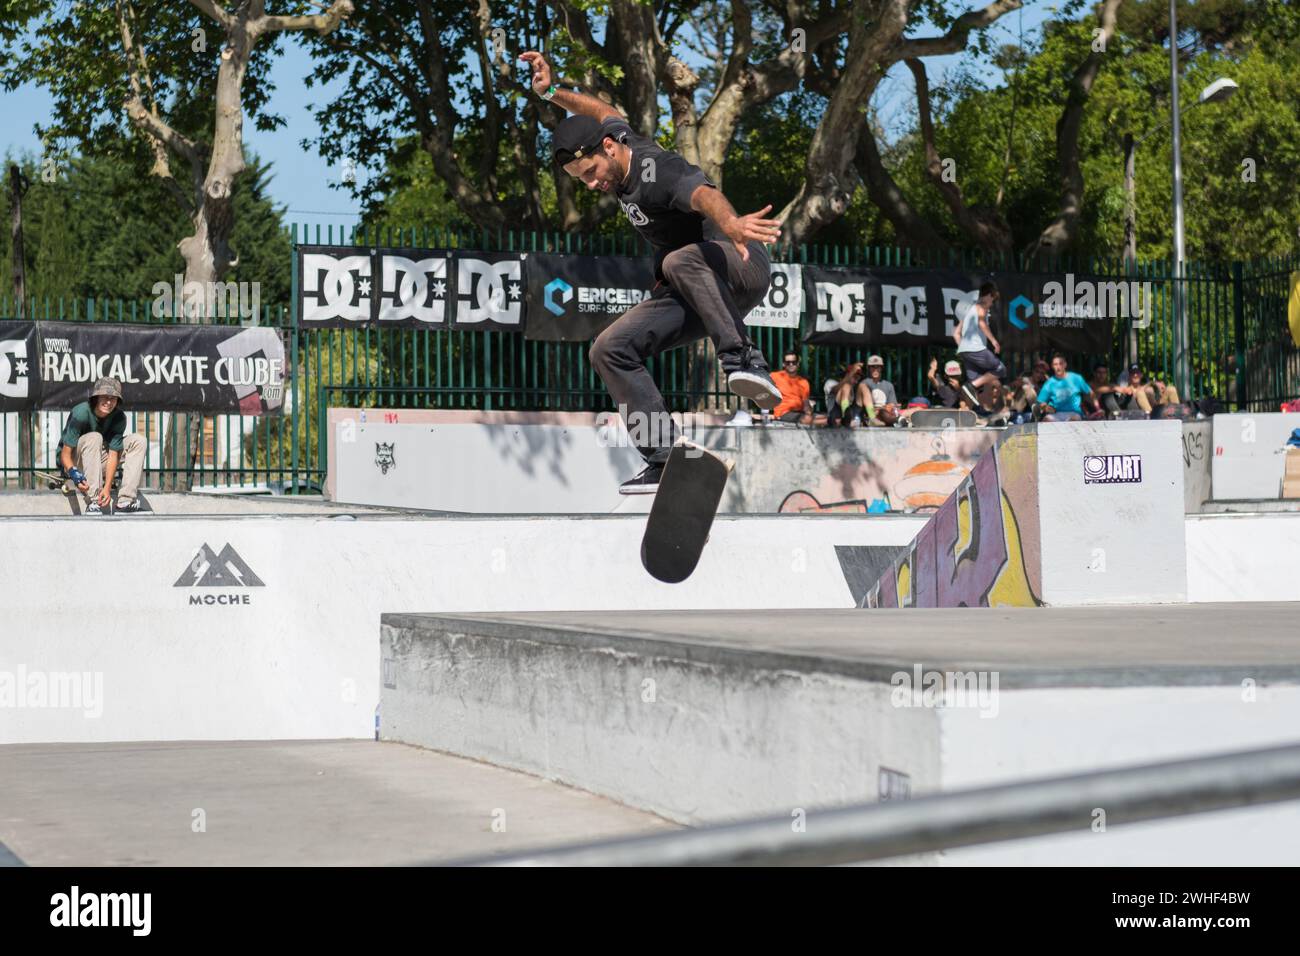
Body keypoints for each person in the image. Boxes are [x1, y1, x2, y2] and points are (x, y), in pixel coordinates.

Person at [521, 50, 781, 494]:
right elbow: (602, 110)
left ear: (608, 149)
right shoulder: (616, 134)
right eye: (581, 180)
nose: (592, 184)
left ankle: (746, 362)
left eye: (592, 173)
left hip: (738, 264)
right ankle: (664, 458)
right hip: (694, 291)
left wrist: (732, 223)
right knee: (608, 349)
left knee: (680, 258)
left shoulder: (654, 169)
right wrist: (551, 92)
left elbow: (700, 194)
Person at [58, 376, 147, 514]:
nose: (109, 402)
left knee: (138, 440)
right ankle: (93, 502)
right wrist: (73, 473)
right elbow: (65, 454)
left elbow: (113, 455)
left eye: (113, 398)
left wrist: (106, 487)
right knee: (95, 437)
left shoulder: (119, 418)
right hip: (75, 463)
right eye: (104, 397)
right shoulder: (81, 412)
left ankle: (125, 501)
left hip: (99, 461)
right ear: (96, 397)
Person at [953, 282, 1006, 409]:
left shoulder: (969, 311)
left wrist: (964, 348)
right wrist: (994, 341)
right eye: (993, 300)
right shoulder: (981, 306)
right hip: (975, 348)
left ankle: (978, 412)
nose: (992, 304)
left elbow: (956, 333)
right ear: (988, 295)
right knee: (1000, 369)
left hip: (965, 351)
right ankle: (971, 388)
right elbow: (982, 324)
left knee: (979, 385)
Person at [1035, 354, 1096, 422]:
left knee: (1074, 420)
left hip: (1074, 413)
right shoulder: (1049, 383)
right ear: (1052, 366)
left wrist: (1098, 409)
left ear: (1065, 365)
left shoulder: (1076, 378)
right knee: (1046, 420)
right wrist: (1045, 407)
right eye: (1055, 364)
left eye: (1060, 364)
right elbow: (1040, 402)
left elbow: (1091, 393)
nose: (1058, 367)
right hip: (1055, 414)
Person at [771, 352, 814, 424]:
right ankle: (829, 421)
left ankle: (830, 420)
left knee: (825, 417)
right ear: (783, 364)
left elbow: (805, 403)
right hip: (783, 413)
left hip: (800, 413)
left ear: (798, 364)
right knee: (808, 419)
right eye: (788, 362)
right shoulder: (775, 376)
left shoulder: (803, 382)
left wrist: (809, 413)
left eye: (793, 362)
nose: (791, 364)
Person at [857, 355, 899, 426]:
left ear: (881, 368)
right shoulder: (864, 383)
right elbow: (861, 406)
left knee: (916, 409)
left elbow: (892, 405)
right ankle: (899, 420)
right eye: (872, 367)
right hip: (872, 415)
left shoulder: (889, 385)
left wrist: (891, 407)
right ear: (869, 368)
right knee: (882, 412)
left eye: (878, 367)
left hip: (886, 413)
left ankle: (900, 420)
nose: (875, 369)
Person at [826, 362, 865, 427]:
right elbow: (835, 390)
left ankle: (848, 419)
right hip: (834, 415)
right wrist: (852, 372)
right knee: (846, 386)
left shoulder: (854, 388)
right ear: (847, 375)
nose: (856, 382)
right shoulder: (831, 382)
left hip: (849, 419)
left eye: (858, 379)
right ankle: (845, 416)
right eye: (855, 378)